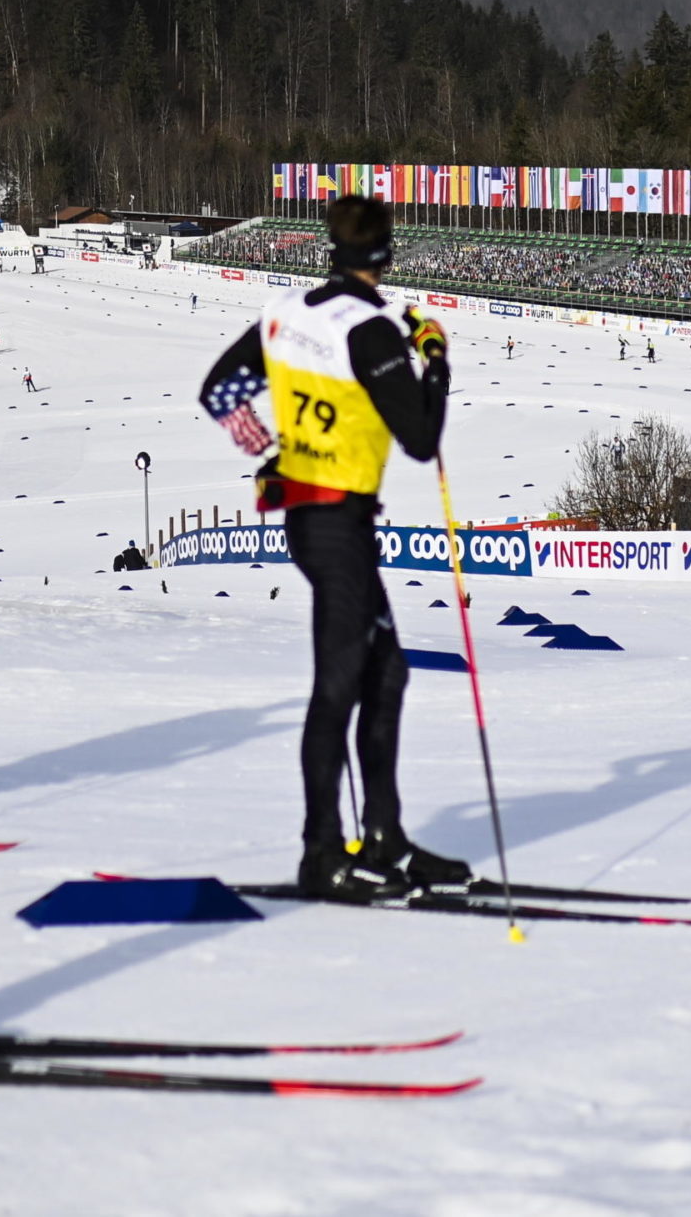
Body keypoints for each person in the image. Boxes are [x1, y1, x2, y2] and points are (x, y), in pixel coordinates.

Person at [198, 194, 461, 903]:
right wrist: (434, 360)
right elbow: (420, 437)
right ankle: (323, 850)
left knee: (389, 673)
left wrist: (271, 451)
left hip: (317, 518)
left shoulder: (288, 311)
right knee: (340, 685)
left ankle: (382, 835)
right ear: (386, 252)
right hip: (337, 520)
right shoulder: (374, 331)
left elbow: (220, 390)